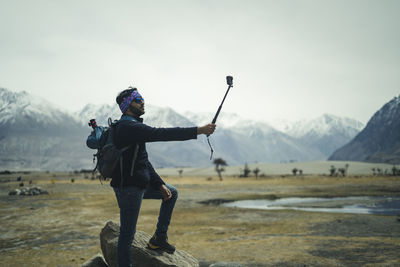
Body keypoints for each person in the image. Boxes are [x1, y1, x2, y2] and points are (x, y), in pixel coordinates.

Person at [112, 87, 216, 267]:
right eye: (138, 99)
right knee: (127, 235)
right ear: (128, 106)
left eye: (142, 98)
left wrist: (159, 184)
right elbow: (162, 134)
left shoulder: (130, 127)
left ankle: (158, 239)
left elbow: (143, 160)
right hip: (129, 188)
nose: (143, 102)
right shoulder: (128, 127)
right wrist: (198, 130)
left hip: (136, 184)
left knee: (171, 192)